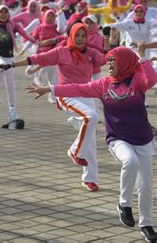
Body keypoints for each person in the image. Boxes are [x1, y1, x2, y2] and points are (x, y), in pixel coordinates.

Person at [25, 45, 157, 242]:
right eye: (109, 60)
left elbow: (152, 79)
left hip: (144, 139)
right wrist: (50, 88)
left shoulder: (137, 81)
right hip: (118, 138)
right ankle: (124, 204)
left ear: (125, 62)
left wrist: (141, 56)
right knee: (130, 161)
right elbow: (78, 88)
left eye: (114, 60)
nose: (109, 63)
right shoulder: (103, 85)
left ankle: (146, 224)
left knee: (146, 185)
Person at [0, 23, 109, 192]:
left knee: (91, 139)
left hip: (86, 95)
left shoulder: (91, 53)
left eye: (83, 35)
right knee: (91, 118)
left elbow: (107, 58)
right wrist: (12, 65)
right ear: (71, 35)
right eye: (77, 35)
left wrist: (108, 39)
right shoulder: (62, 52)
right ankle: (74, 151)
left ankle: (89, 178)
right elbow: (36, 59)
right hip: (66, 95)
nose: (80, 39)